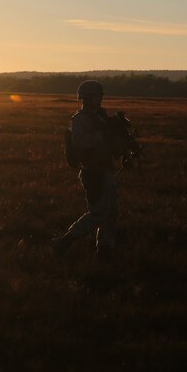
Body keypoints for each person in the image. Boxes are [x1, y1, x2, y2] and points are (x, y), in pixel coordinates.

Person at [53, 80, 124, 259]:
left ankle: (105, 249)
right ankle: (65, 241)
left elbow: (109, 142)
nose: (100, 100)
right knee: (98, 212)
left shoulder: (100, 116)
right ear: (88, 98)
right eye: (97, 96)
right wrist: (102, 134)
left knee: (112, 212)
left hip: (106, 169)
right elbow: (80, 142)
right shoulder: (80, 120)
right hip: (93, 172)